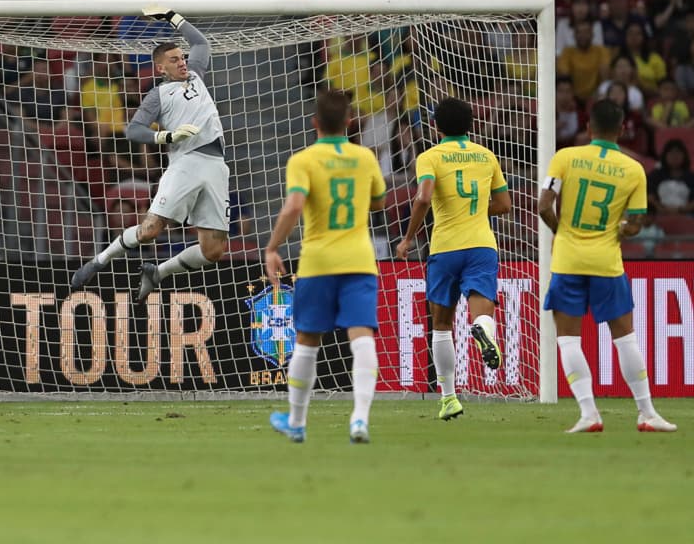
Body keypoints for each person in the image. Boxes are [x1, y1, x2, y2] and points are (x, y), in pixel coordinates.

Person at [70, 8, 230, 304]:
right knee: (150, 230)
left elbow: (201, 44)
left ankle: (158, 273)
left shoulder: (196, 74)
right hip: (185, 164)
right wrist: (166, 137)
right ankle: (99, 260)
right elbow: (133, 130)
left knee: (214, 250)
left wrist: (173, 17)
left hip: (217, 166)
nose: (182, 62)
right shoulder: (158, 95)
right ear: (160, 68)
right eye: (174, 60)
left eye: (182, 57)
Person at [538, 99, 676, 433]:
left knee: (569, 340)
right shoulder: (633, 169)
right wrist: (621, 229)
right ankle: (646, 413)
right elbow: (636, 222)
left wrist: (564, 232)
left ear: (588, 128)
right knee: (625, 338)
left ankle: (589, 414)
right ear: (622, 130)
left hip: (568, 260)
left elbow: (543, 205)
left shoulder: (565, 157)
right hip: (607, 262)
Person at [264, 90, 383, 444]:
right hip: (359, 260)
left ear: (314, 122)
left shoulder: (304, 160)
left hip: (317, 262)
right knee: (361, 337)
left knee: (306, 340)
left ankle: (297, 422)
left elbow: (294, 206)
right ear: (349, 122)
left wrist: (272, 247)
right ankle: (359, 419)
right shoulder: (365, 157)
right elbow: (379, 201)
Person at [395, 98, 512, 420]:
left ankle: (449, 398)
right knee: (481, 309)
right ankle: (482, 328)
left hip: (445, 247)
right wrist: (473, 210)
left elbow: (423, 197)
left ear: (436, 126)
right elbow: (504, 204)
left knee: (442, 325)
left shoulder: (430, 157)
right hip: (481, 245)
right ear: (470, 125)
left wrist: (407, 238)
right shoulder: (486, 156)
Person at [557, 19, 611, 100]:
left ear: (592, 34)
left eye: (586, 32)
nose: (583, 35)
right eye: (579, 32)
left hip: (596, 97)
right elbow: (564, 74)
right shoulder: (567, 52)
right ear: (574, 35)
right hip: (573, 98)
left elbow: (605, 75)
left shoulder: (601, 51)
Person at [648, 138, 694, 214]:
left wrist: (682, 210)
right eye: (671, 153)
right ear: (665, 155)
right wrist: (660, 208)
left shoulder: (691, 177)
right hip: (658, 213)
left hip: (686, 214)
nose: (674, 156)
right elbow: (650, 196)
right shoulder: (655, 175)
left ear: (684, 156)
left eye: (678, 153)